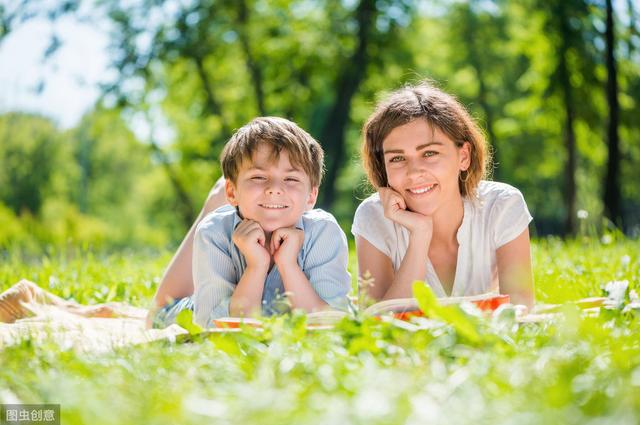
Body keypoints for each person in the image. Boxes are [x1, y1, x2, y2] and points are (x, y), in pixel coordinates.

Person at [150, 117, 351, 328]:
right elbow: (214, 329)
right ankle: (217, 200)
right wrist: (256, 266)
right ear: (232, 191)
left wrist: (289, 265)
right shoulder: (214, 232)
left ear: (311, 196)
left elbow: (330, 325)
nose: (275, 188)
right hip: (196, 309)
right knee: (157, 314)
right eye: (258, 177)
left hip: (273, 309)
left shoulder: (323, 231)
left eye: (291, 179)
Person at [352, 82, 534, 308]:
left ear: (463, 156)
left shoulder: (502, 206)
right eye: (397, 158)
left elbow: (520, 312)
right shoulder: (373, 217)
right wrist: (420, 234)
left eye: (429, 153)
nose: (414, 172)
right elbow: (376, 324)